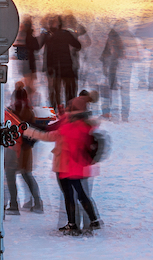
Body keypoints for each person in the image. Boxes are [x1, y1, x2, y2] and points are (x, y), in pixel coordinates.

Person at [23, 96, 102, 235]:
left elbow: (48, 136)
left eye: (69, 108)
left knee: (70, 196)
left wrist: (28, 131)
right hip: (77, 166)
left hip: (65, 167)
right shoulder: (84, 125)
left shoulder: (69, 127)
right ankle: (93, 220)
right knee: (81, 195)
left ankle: (74, 224)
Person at [3, 83, 43, 215]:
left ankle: (14, 205)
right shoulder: (30, 112)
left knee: (10, 175)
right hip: (26, 150)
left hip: (13, 148)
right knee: (26, 174)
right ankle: (37, 203)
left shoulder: (12, 111)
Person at [42, 16, 81, 111]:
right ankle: (69, 110)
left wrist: (49, 67)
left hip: (56, 68)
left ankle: (57, 110)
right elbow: (77, 45)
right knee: (68, 90)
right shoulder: (65, 34)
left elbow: (48, 53)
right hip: (66, 66)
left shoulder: (50, 36)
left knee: (56, 91)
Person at [101, 23, 131, 120]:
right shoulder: (128, 35)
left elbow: (106, 54)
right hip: (124, 68)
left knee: (113, 92)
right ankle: (124, 116)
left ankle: (114, 115)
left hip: (114, 68)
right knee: (123, 92)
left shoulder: (112, 36)